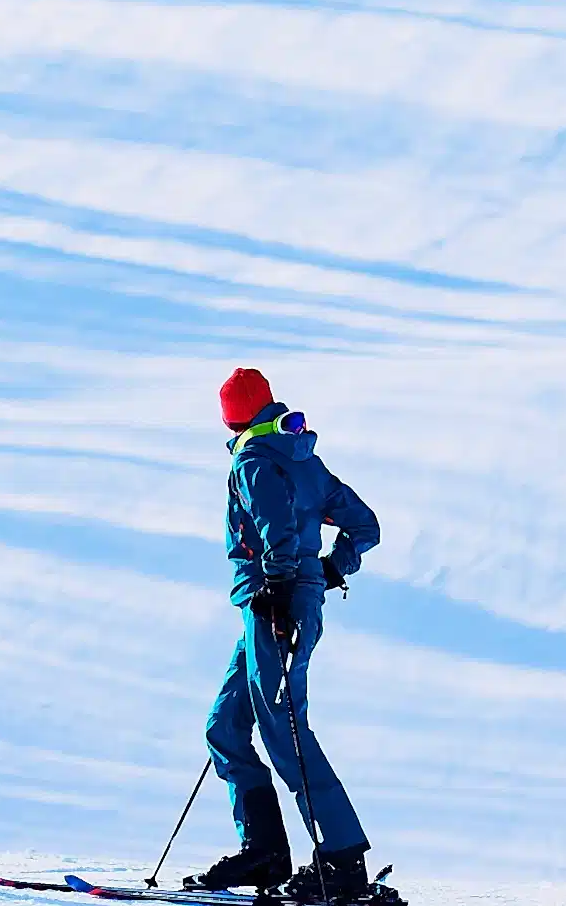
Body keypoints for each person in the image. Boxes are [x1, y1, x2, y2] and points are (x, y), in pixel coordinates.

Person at [185, 368, 386, 902]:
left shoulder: (252, 458)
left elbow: (273, 529)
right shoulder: (303, 456)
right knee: (225, 726)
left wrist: (281, 586)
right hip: (275, 605)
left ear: (229, 415)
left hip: (275, 606)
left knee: (284, 729)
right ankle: (265, 851)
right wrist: (332, 568)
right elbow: (365, 525)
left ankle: (342, 860)